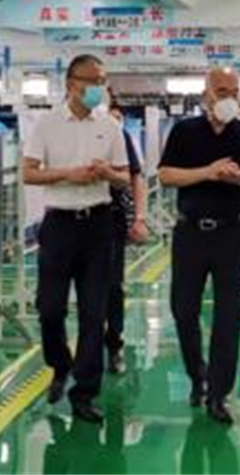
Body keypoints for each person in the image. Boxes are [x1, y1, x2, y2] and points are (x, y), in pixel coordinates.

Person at [158, 67, 240, 424]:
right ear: (206, 93)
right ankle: (198, 376)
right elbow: (165, 174)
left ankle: (218, 394)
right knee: (183, 310)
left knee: (228, 316)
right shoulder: (185, 131)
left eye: (234, 92)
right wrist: (207, 172)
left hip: (232, 235)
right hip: (190, 233)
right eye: (222, 91)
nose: (229, 98)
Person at [23, 54, 129, 425]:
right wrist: (68, 174)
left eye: (103, 80)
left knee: (93, 312)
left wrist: (107, 173)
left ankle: (85, 392)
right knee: (50, 308)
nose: (100, 87)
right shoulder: (47, 124)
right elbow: (29, 173)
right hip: (59, 225)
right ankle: (59, 363)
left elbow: (125, 177)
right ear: (71, 83)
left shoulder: (110, 126)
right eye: (93, 80)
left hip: (98, 225)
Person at [105, 100, 149, 375]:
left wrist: (139, 217)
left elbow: (136, 177)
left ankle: (114, 344)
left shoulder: (118, 135)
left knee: (112, 286)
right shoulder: (62, 131)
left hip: (110, 218)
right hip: (72, 221)